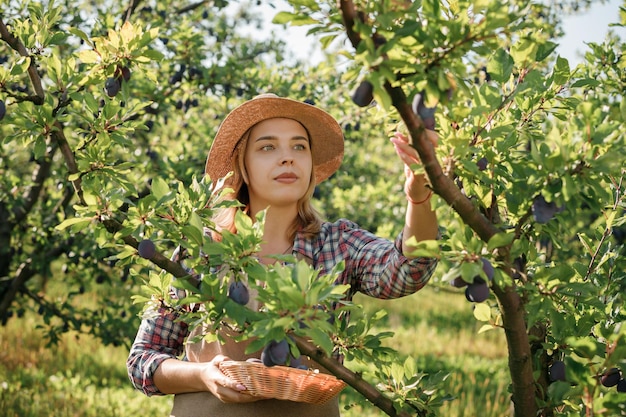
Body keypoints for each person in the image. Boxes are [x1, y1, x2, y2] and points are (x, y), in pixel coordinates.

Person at [127, 93, 439, 416]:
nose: (287, 157)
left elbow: (407, 271)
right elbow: (143, 361)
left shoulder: (335, 245)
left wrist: (418, 198)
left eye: (299, 146)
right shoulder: (202, 251)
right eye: (267, 147)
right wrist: (204, 375)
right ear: (243, 167)